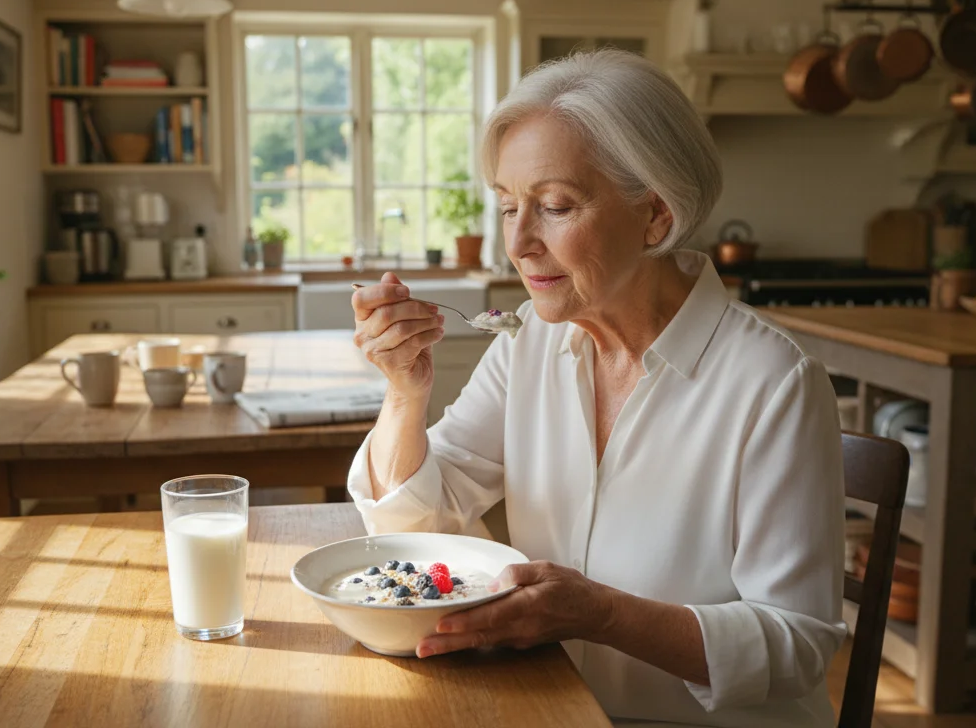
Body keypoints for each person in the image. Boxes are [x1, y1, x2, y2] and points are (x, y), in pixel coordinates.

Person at [347, 49, 846, 727]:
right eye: (506, 206)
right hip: (550, 709)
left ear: (656, 217)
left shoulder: (773, 381)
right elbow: (415, 521)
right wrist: (405, 395)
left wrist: (605, 615)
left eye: (555, 206)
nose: (518, 243)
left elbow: (798, 644)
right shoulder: (529, 342)